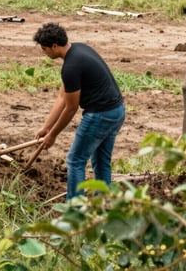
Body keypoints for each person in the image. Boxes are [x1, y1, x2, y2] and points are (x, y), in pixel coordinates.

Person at [33, 22, 125, 199]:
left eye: (44, 49)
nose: (44, 53)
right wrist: (46, 127)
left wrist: (53, 135)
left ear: (54, 46)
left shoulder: (71, 67)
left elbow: (71, 108)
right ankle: (102, 204)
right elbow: (62, 97)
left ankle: (74, 207)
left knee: (75, 160)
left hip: (100, 116)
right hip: (117, 111)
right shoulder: (79, 49)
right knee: (101, 161)